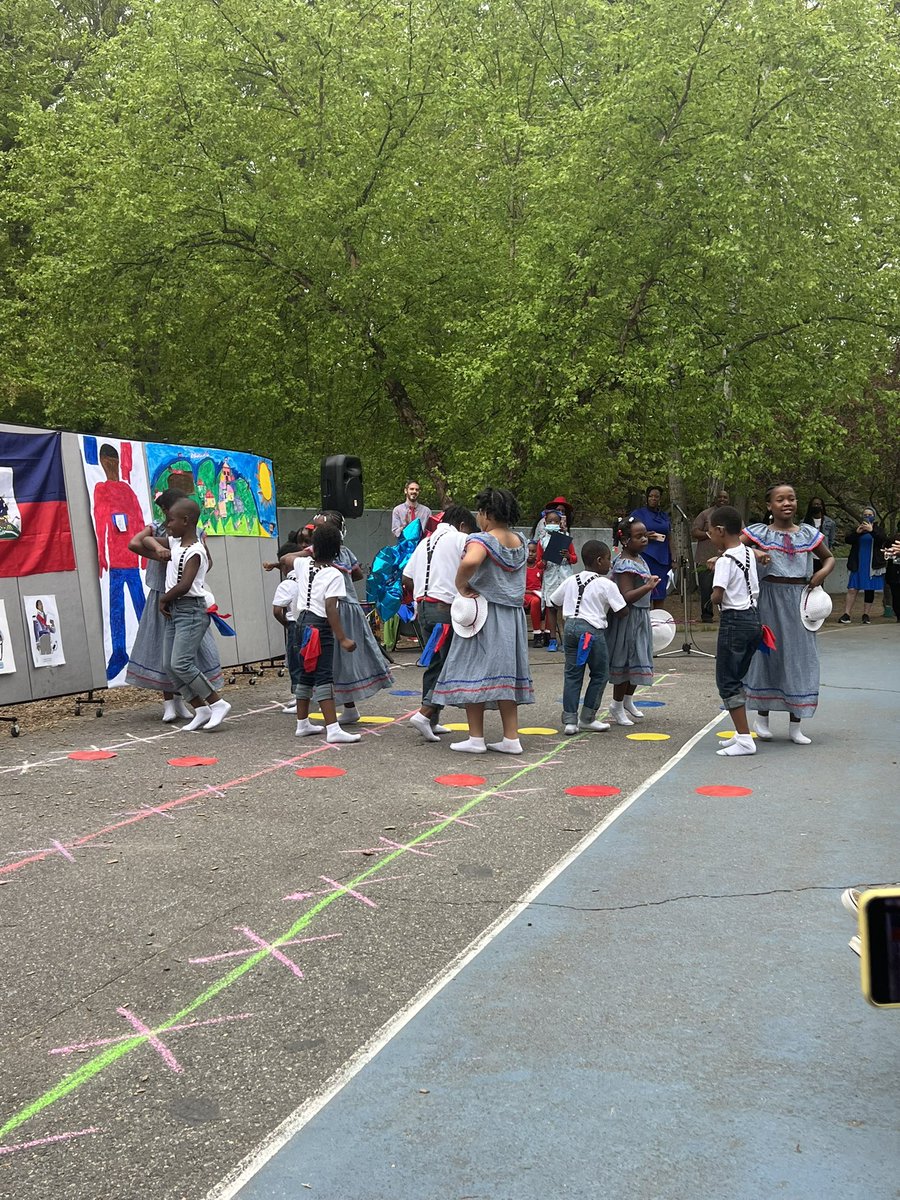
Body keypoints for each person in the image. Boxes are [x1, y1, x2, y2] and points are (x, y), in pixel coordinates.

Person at [432, 487, 534, 753]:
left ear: (486, 513)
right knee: (505, 677)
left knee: (471, 670)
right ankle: (511, 738)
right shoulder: (520, 541)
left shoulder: (482, 540)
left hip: (483, 616)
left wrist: (460, 584)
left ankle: (476, 737)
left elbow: (470, 562)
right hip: (511, 618)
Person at [742, 482, 834, 743]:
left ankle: (796, 723)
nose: (787, 503)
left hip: (799, 600)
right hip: (768, 597)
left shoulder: (807, 534)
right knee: (766, 653)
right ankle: (762, 718)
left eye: (791, 498)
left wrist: (822, 572)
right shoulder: (759, 533)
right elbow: (734, 550)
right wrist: (755, 551)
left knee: (799, 656)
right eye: (780, 499)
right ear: (769, 505)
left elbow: (827, 558)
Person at [126, 488, 224, 721]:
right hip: (162, 595)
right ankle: (171, 701)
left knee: (186, 653)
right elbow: (136, 543)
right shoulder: (160, 530)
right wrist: (159, 553)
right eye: (166, 515)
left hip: (183, 599)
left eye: (170, 515)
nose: (168, 521)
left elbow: (206, 561)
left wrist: (183, 567)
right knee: (164, 649)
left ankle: (200, 700)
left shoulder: (192, 537)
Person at [153, 497, 231, 731]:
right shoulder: (175, 544)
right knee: (169, 665)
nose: (167, 524)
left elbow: (185, 585)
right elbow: (141, 541)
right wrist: (156, 545)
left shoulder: (196, 551)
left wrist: (164, 598)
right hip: (175, 610)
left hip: (191, 609)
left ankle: (217, 703)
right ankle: (200, 707)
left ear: (186, 521)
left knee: (182, 662)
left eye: (171, 520)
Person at [281, 522, 361, 744]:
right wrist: (342, 637)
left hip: (300, 624)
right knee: (324, 675)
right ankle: (333, 728)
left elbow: (286, 559)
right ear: (337, 551)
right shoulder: (333, 575)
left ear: (313, 547)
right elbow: (330, 608)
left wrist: (300, 554)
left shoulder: (303, 564)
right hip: (320, 628)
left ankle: (302, 723)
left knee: (306, 673)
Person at [402, 504, 477, 741]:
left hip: (423, 607)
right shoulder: (460, 538)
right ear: (463, 524)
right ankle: (425, 714)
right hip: (444, 609)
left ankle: (432, 720)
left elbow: (406, 577)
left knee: (435, 663)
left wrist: (423, 592)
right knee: (449, 665)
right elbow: (472, 567)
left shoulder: (426, 541)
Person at [313, 510, 393, 722]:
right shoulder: (345, 552)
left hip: (338, 609)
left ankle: (344, 705)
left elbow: (291, 559)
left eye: (320, 528)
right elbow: (357, 573)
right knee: (341, 660)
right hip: (348, 607)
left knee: (337, 660)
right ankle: (348, 706)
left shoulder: (322, 555)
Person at [550, 540, 624, 735]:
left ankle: (570, 721)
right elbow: (622, 610)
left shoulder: (571, 579)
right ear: (600, 561)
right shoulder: (605, 584)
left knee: (573, 674)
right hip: (591, 632)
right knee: (600, 674)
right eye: (609, 559)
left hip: (571, 628)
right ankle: (587, 718)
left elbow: (553, 600)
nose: (610, 563)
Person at [707, 505, 763, 757]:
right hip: (753, 620)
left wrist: (712, 591)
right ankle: (740, 733)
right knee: (737, 678)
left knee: (727, 681)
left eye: (710, 532)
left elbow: (718, 597)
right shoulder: (749, 553)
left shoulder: (724, 561)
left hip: (733, 621)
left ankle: (744, 739)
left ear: (720, 530)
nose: (710, 536)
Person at [91, 442, 148, 678]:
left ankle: (148, 646)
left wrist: (145, 557)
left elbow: (139, 520)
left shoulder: (127, 491)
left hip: (131, 560)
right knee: (116, 608)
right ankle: (119, 651)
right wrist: (101, 555)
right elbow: (100, 521)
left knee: (139, 605)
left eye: (111, 462)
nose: (109, 467)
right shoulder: (101, 488)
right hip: (115, 561)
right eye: (106, 463)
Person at [606, 517, 659, 725]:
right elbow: (625, 595)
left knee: (639, 660)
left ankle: (628, 700)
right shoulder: (625, 563)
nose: (644, 539)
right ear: (626, 540)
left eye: (645, 535)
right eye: (639, 536)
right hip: (629, 618)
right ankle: (616, 705)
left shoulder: (639, 558)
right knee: (626, 661)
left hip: (641, 616)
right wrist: (647, 587)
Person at [536, 507, 577, 651]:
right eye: (549, 521)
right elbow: (538, 563)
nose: (552, 523)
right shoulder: (542, 542)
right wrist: (544, 561)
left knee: (566, 609)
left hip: (565, 577)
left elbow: (575, 558)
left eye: (555, 521)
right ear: (545, 523)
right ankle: (553, 639)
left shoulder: (565, 540)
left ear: (560, 523)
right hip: (551, 578)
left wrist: (568, 556)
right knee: (551, 609)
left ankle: (567, 640)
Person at [838, 506, 888, 625]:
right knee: (852, 588)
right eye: (865, 515)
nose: (867, 517)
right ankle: (847, 614)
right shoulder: (858, 529)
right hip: (858, 563)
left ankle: (866, 614)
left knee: (869, 589)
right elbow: (848, 540)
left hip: (871, 564)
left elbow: (883, 540)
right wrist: (857, 533)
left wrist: (872, 531)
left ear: (874, 516)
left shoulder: (878, 529)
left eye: (869, 515)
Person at [692, 487, 731, 621]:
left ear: (728, 500)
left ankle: (726, 614)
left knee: (726, 588)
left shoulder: (732, 515)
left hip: (727, 559)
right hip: (705, 558)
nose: (722, 499)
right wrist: (708, 534)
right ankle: (707, 616)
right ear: (715, 499)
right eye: (720, 497)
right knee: (706, 588)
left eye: (725, 497)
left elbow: (742, 532)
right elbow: (694, 531)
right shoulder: (705, 514)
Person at [630, 486, 671, 607]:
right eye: (651, 496)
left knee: (660, 591)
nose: (653, 498)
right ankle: (645, 620)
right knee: (645, 591)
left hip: (662, 557)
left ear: (660, 499)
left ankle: (658, 620)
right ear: (647, 498)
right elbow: (629, 531)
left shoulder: (664, 516)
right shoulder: (638, 514)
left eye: (656, 496)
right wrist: (645, 535)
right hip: (645, 555)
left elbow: (669, 536)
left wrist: (672, 557)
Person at [524, 542, 545, 647]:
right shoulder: (522, 567)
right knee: (536, 601)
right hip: (525, 594)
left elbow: (543, 584)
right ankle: (537, 633)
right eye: (528, 551)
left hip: (538, 593)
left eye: (533, 551)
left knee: (549, 602)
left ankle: (547, 634)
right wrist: (531, 592)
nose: (530, 554)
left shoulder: (539, 567)